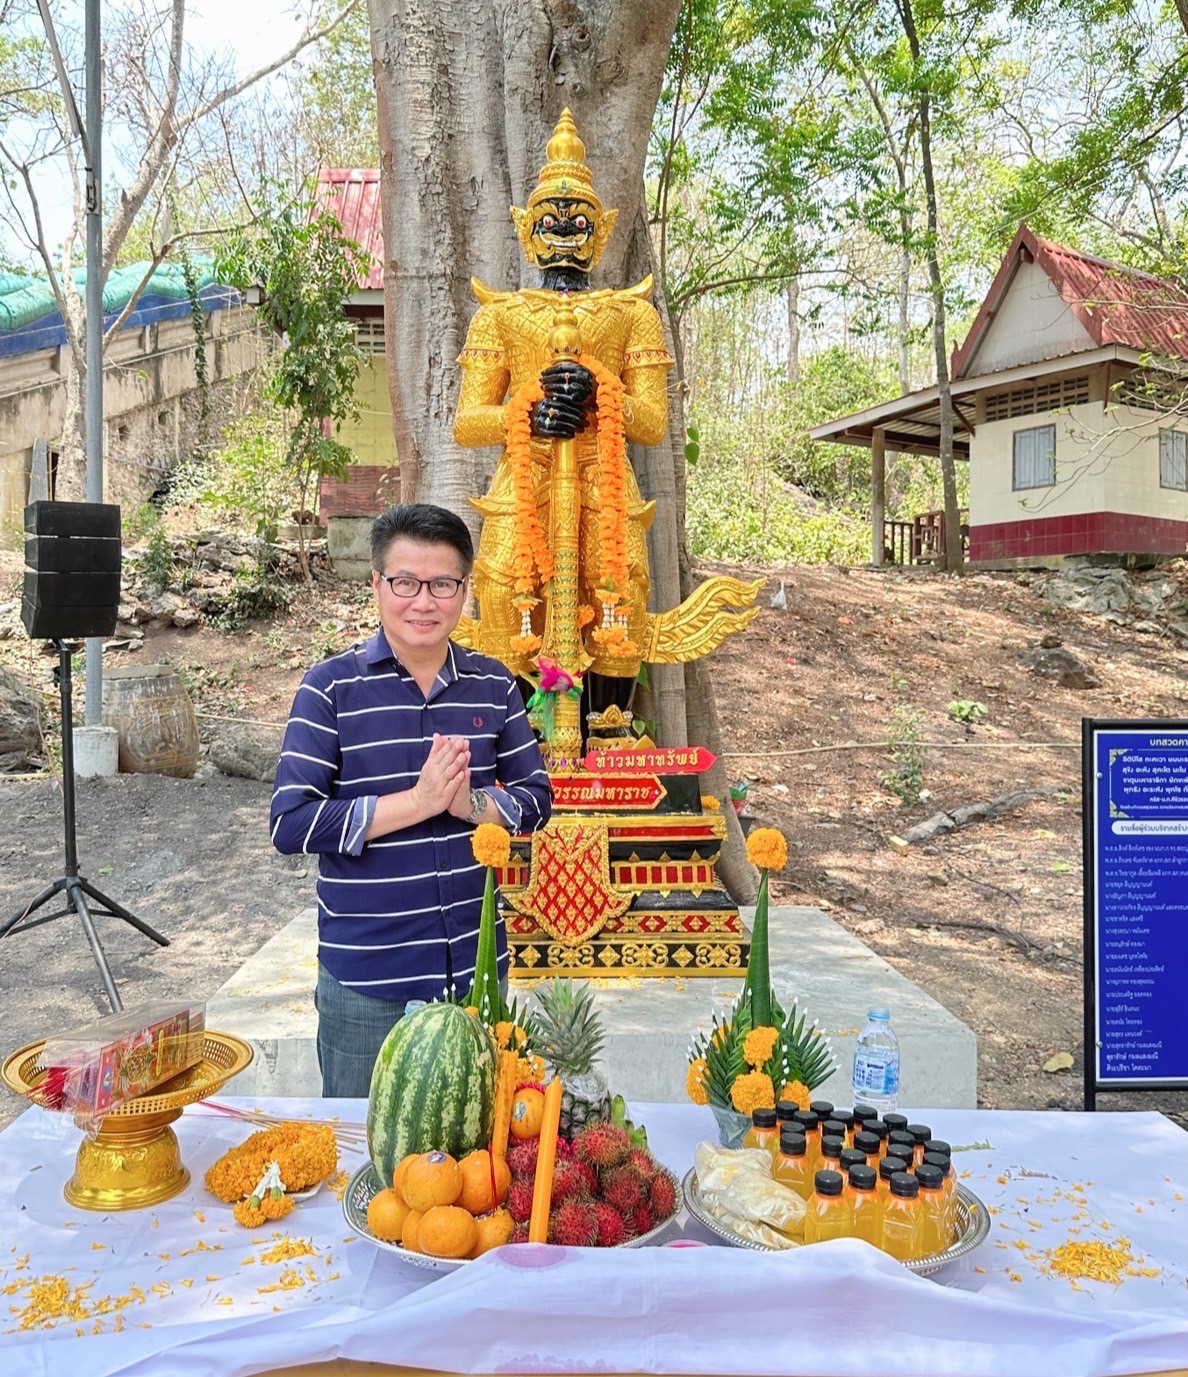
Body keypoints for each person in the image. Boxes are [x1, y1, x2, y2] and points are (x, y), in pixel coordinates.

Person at [270, 503, 552, 1097]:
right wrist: (419, 802)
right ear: (376, 584)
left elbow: (536, 798)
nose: (424, 601)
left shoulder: (493, 684)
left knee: (475, 1162)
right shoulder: (331, 688)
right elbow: (290, 823)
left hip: (475, 978)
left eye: (443, 584)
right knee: (362, 1155)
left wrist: (471, 806)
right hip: (368, 983)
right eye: (405, 582)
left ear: (465, 591)